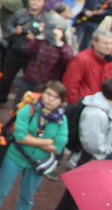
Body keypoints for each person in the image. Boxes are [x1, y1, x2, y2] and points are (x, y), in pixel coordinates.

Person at [0, 81, 69, 210]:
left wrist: (31, 139)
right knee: (0, 192)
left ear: (61, 101)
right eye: (48, 94)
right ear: (42, 93)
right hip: (15, 156)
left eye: (56, 97)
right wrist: (48, 141)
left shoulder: (62, 120)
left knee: (26, 200)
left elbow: (58, 147)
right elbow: (20, 137)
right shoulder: (28, 109)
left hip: (38, 163)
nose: (50, 99)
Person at [54, 78, 112, 210]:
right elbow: (93, 146)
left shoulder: (102, 108)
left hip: (94, 165)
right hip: (86, 164)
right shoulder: (96, 114)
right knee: (73, 204)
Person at [0, 0, 49, 108]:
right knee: (6, 77)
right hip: (15, 50)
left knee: (28, 81)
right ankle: (0, 99)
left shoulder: (45, 19)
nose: (35, 2)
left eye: (38, 0)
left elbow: (47, 35)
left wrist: (35, 38)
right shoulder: (20, 13)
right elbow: (9, 26)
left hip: (32, 54)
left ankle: (24, 104)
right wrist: (15, 30)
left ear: (43, 3)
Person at [62, 29, 112, 104]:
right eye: (105, 43)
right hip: (84, 104)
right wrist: (76, 105)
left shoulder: (108, 62)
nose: (108, 47)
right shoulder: (81, 59)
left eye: (110, 43)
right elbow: (70, 85)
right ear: (94, 42)